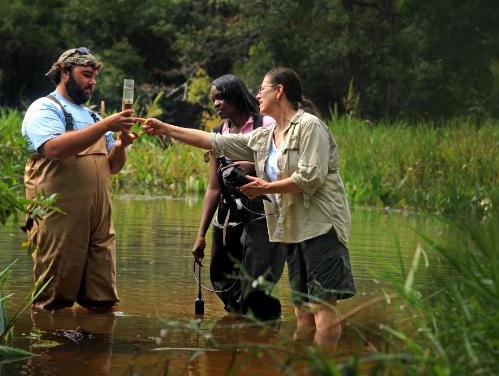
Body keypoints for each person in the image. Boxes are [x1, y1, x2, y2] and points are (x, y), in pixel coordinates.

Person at [140, 67, 356, 352]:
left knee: (323, 308)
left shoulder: (309, 126)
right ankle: (300, 365)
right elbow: (214, 142)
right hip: (294, 231)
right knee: (302, 311)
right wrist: (165, 128)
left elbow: (310, 178)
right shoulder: (266, 136)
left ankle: (323, 367)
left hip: (321, 228)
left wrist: (265, 188)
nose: (257, 95)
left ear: (279, 91)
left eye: (262, 89)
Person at [22, 47, 136, 311]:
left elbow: (112, 167)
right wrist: (106, 126)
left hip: (98, 221)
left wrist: (120, 145)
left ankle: (96, 337)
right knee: (53, 299)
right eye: (86, 74)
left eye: (94, 76)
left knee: (102, 299)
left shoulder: (93, 116)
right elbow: (54, 149)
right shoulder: (45, 108)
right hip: (57, 217)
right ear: (64, 72)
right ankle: (49, 337)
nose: (92, 82)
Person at [193, 74, 286, 317]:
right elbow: (213, 188)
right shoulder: (218, 132)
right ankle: (241, 331)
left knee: (255, 282)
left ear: (236, 95)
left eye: (222, 97)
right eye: (213, 99)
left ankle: (262, 322)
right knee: (223, 281)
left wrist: (253, 166)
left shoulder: (266, 124)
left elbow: (283, 167)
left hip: (262, 214)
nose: (216, 103)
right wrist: (201, 234)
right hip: (228, 216)